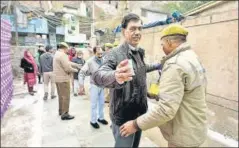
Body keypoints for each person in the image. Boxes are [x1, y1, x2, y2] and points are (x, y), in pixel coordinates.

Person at [119, 24, 208, 147]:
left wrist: (135, 125)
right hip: (194, 127)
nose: (162, 48)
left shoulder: (175, 65)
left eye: (162, 45)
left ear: (169, 42)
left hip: (182, 134)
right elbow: (185, 91)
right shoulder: (191, 56)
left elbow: (165, 110)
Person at [92, 13, 161, 147]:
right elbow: (98, 75)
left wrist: (158, 65)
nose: (137, 32)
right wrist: (115, 76)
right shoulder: (115, 53)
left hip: (139, 114)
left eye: (140, 29)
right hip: (123, 115)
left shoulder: (139, 52)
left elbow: (141, 68)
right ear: (124, 32)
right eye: (133, 28)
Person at [79, 46, 108, 129]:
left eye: (101, 53)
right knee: (94, 104)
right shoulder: (90, 62)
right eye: (98, 53)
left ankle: (101, 118)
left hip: (102, 85)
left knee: (102, 103)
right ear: (94, 53)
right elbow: (82, 72)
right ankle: (93, 121)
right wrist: (81, 85)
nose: (100, 55)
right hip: (94, 85)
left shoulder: (104, 60)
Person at [53, 42, 81, 120]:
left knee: (61, 96)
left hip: (57, 79)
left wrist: (76, 64)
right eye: (67, 49)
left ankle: (61, 111)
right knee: (66, 97)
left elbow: (67, 63)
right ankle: (65, 114)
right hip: (63, 79)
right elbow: (67, 68)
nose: (68, 50)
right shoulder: (63, 55)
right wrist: (77, 70)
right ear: (64, 48)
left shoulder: (57, 53)